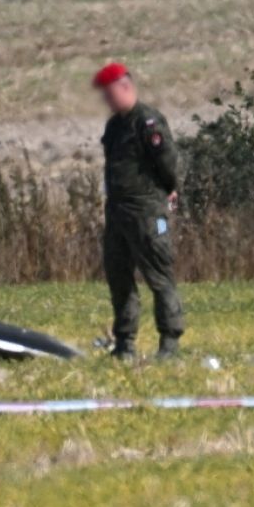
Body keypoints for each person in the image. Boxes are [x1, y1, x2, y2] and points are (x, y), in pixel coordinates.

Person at [94, 62, 185, 360]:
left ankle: (169, 342)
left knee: (159, 275)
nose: (106, 101)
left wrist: (168, 189)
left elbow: (168, 162)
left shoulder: (148, 122)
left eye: (109, 94)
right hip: (118, 213)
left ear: (125, 87)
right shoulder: (114, 126)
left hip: (149, 212)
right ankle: (124, 343)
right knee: (119, 277)